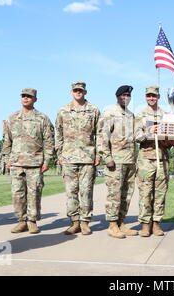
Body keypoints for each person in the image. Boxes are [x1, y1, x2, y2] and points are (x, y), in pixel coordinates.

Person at [3, 88, 55, 234]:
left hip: (34, 163)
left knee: (34, 194)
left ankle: (32, 221)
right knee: (17, 194)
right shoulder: (12, 118)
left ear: (35, 99)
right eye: (23, 96)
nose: (26, 98)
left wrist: (47, 161)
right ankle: (21, 220)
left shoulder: (42, 118)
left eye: (29, 97)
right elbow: (7, 140)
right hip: (16, 162)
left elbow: (49, 141)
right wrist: (7, 159)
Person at [55, 82, 100, 236]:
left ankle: (85, 222)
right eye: (75, 90)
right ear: (71, 92)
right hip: (68, 157)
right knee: (71, 192)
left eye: (80, 90)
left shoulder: (93, 110)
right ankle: (74, 222)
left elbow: (99, 134)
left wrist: (98, 154)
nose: (78, 92)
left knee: (86, 191)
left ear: (85, 92)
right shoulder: (63, 110)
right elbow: (59, 134)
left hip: (88, 157)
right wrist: (59, 154)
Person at [97, 85, 137, 239]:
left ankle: (121, 223)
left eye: (128, 95)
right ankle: (112, 225)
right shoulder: (110, 112)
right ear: (117, 96)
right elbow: (102, 137)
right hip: (115, 161)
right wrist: (107, 158)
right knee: (114, 194)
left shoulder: (130, 115)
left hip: (129, 161)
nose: (125, 97)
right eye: (123, 95)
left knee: (126, 194)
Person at [134, 86, 170, 237]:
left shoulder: (166, 115)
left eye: (154, 96)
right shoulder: (140, 115)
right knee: (145, 194)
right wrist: (150, 132)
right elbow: (136, 136)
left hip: (162, 158)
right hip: (145, 160)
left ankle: (156, 224)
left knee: (160, 194)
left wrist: (167, 136)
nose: (151, 98)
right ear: (145, 97)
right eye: (149, 96)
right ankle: (145, 225)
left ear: (158, 97)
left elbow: (171, 136)